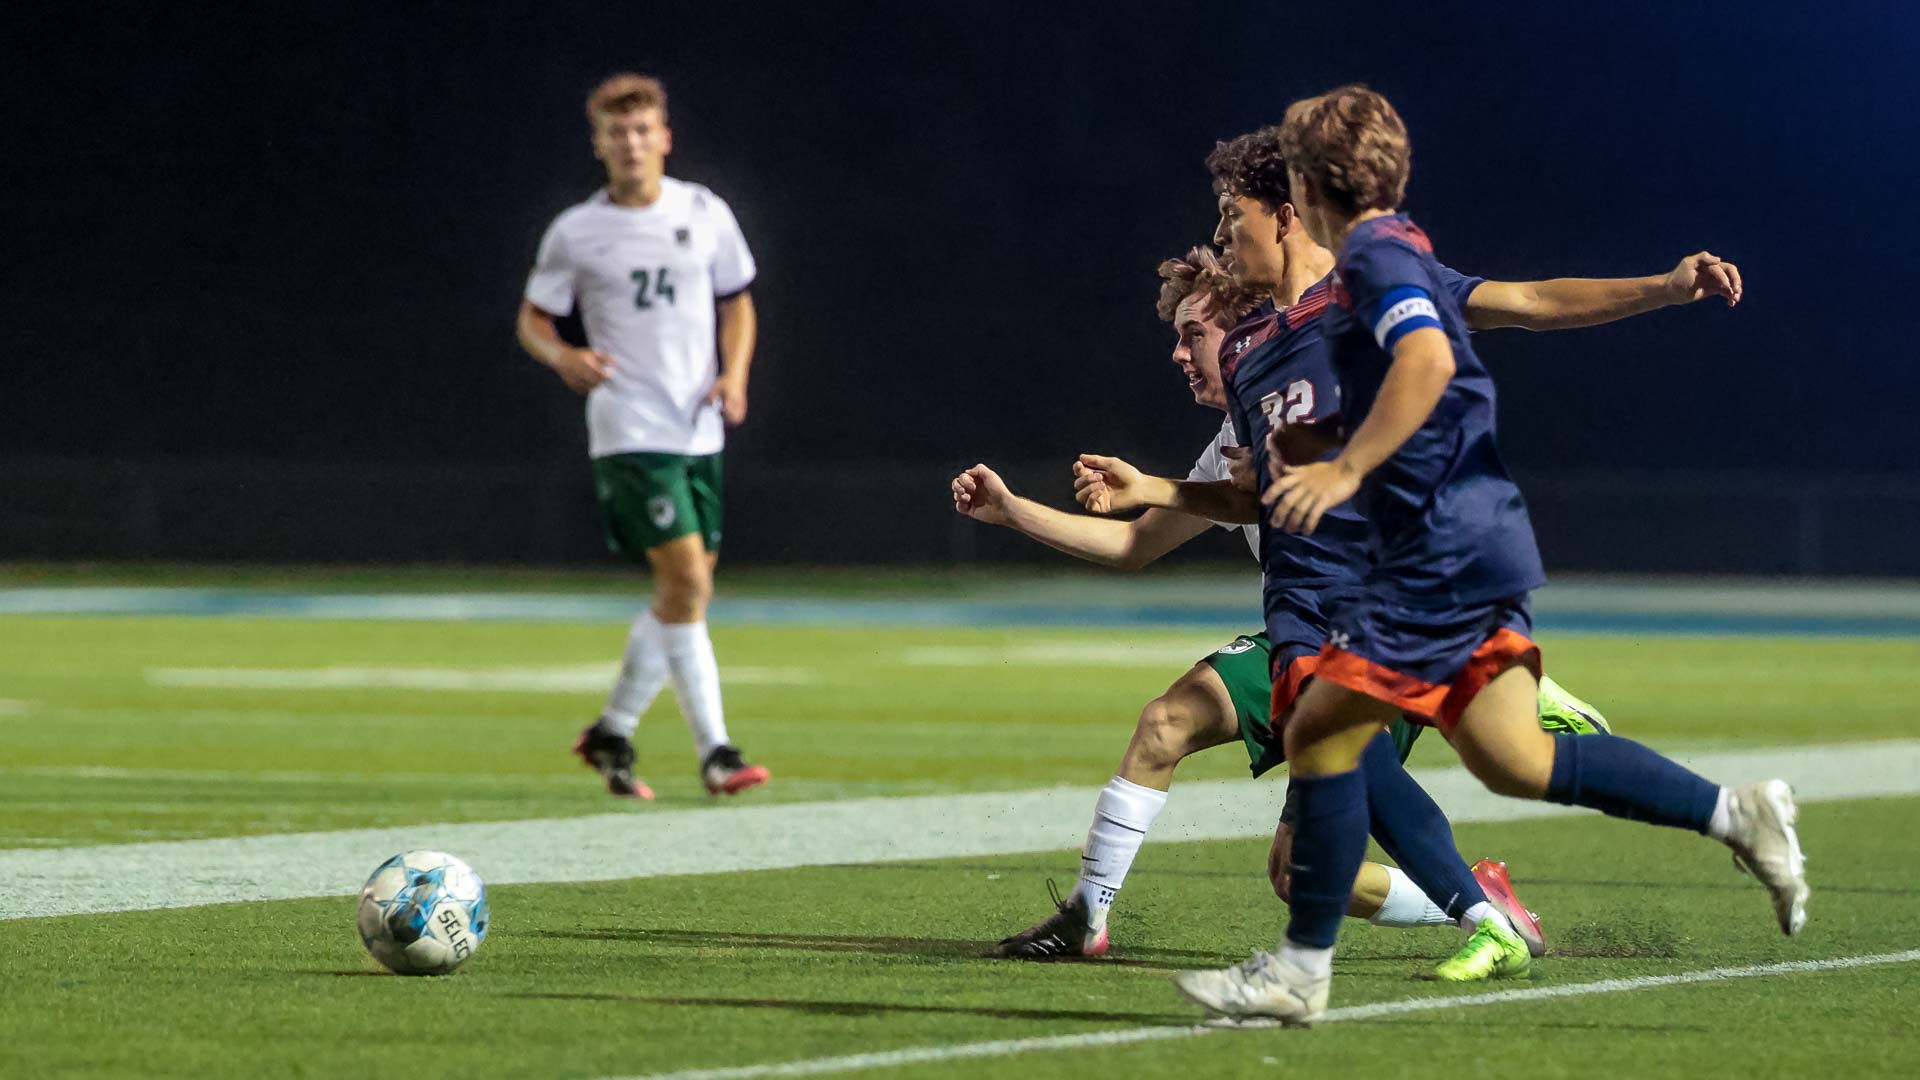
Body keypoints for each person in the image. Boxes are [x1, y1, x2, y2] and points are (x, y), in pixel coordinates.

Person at [1174, 86, 1803, 1026]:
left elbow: (1469, 339)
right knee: (1510, 760)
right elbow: (1305, 453)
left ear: (1298, 194)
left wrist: (1346, 470)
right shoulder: (1282, 330)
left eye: (1233, 214)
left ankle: (1305, 973)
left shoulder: (1376, 261)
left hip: (1420, 560)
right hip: (1441, 553)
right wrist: (1214, 482)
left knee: (1319, 732)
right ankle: (1735, 812)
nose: (1223, 234)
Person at [953, 245, 1607, 963]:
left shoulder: (1326, 399)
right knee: (1270, 843)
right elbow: (1134, 544)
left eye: (1193, 334)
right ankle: (1090, 915)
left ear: (1245, 332)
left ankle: (1482, 819)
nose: (1178, 354)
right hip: (1303, 638)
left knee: (1200, 750)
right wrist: (1013, 512)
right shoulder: (1232, 440)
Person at [516, 73, 770, 801]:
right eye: (616, 132)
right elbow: (533, 319)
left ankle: (613, 730)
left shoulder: (704, 211)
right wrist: (562, 355)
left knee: (682, 595)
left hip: (698, 427)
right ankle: (717, 752)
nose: (630, 143)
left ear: (664, 137)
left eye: (641, 130)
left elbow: (737, 302)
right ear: (598, 144)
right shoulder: (576, 231)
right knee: (689, 583)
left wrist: (734, 375)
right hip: (628, 426)